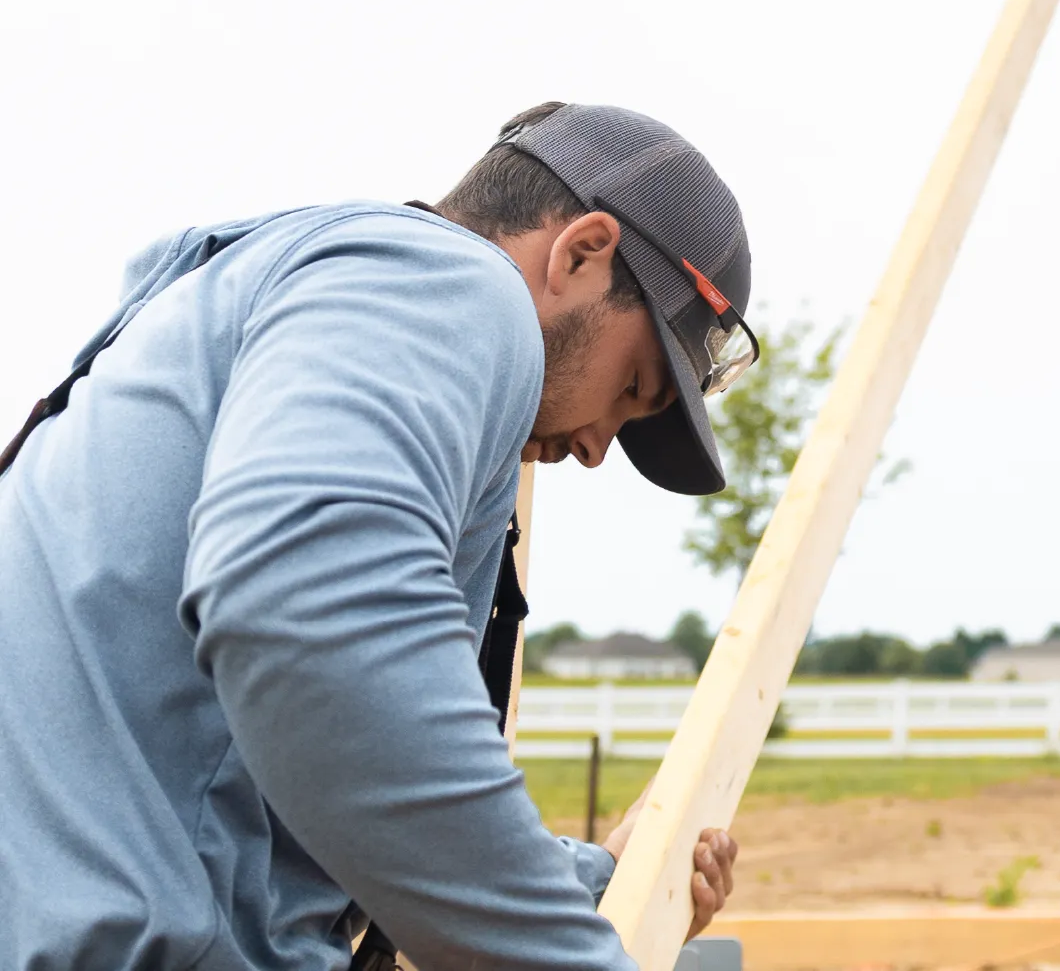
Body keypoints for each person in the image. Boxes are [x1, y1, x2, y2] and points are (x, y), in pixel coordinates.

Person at [0, 102, 750, 969]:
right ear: (580, 252)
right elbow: (311, 621)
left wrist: (594, 880)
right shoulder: (446, 283)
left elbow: (231, 762)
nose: (593, 450)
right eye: (632, 388)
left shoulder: (275, 294)